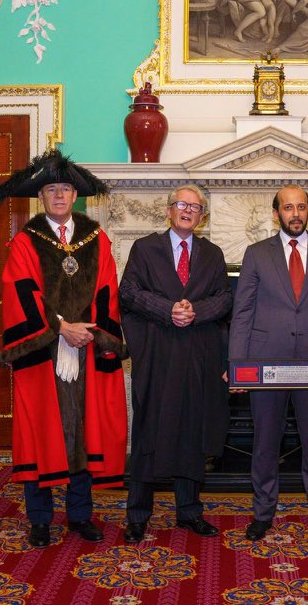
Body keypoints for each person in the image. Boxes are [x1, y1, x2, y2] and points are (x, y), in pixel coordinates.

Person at [0, 149, 127, 548]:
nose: (59, 195)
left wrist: (89, 332)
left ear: (75, 196)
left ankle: (80, 515)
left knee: (84, 430)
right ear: (41, 197)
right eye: (51, 189)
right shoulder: (25, 242)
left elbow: (107, 288)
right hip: (43, 350)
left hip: (87, 346)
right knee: (42, 429)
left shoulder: (96, 238)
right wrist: (60, 328)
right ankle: (39, 518)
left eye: (65, 189)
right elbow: (21, 291)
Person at [229, 184, 308, 542]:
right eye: (288, 207)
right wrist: (237, 364)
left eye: (301, 207)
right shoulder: (256, 254)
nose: (295, 213)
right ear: (276, 213)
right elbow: (243, 314)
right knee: (265, 442)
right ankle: (262, 513)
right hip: (265, 363)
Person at [120, 185, 233, 543]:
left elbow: (225, 298)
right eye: (182, 205)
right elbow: (129, 293)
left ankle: (189, 512)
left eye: (195, 207)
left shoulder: (213, 254)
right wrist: (167, 309)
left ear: (203, 217)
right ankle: (138, 514)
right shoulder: (144, 248)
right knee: (149, 431)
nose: (188, 211)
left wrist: (195, 311)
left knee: (192, 432)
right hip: (158, 354)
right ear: (169, 210)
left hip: (199, 355)